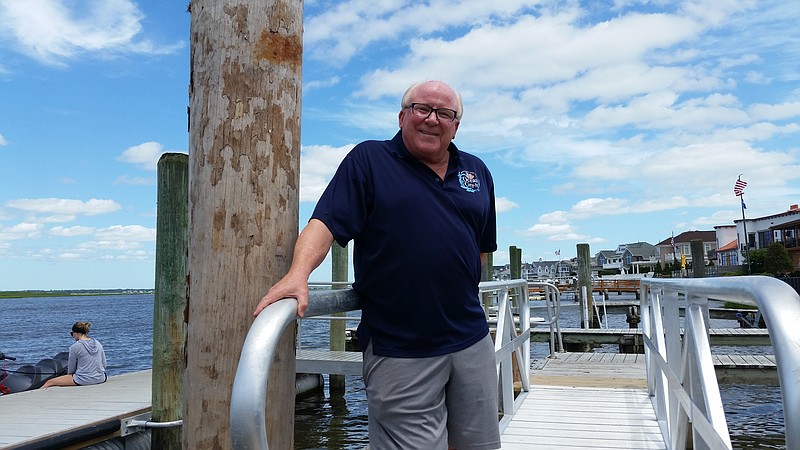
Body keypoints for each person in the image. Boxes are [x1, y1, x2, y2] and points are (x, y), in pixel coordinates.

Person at [255, 80, 500, 449]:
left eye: (445, 113)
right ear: (403, 116)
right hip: (400, 349)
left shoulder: (477, 171)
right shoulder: (369, 160)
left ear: (456, 125)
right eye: (422, 109)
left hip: (472, 340)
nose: (433, 119)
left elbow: (481, 248)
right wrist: (297, 274)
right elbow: (325, 223)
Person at [41, 321, 107, 388]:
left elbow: (71, 370)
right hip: (101, 378)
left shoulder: (75, 347)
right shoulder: (98, 343)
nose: (72, 336)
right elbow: (104, 364)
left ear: (77, 333)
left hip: (84, 379)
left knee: (49, 382)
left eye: (72, 333)